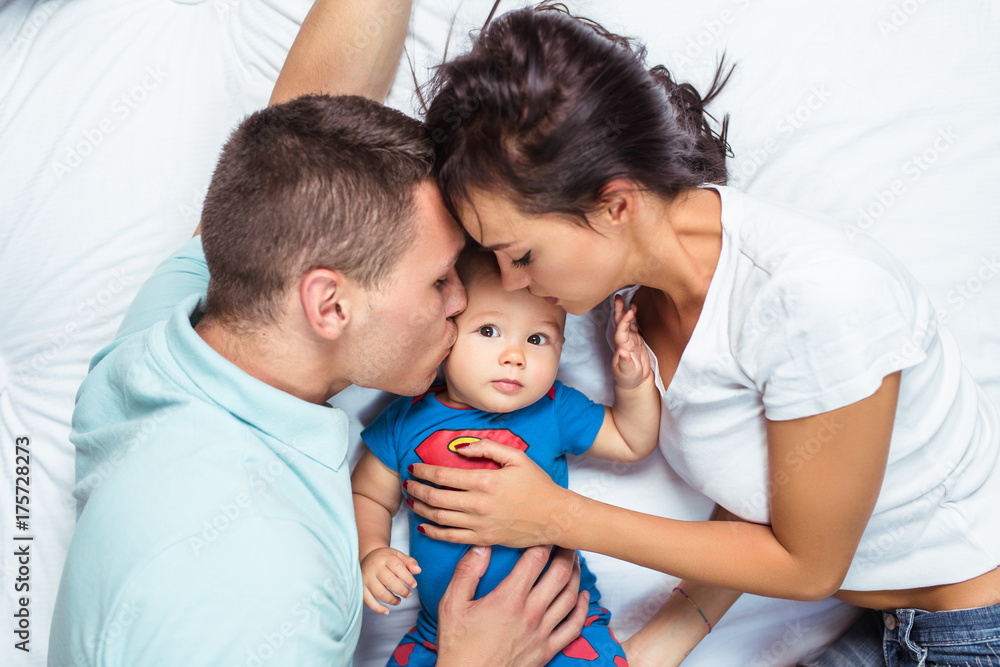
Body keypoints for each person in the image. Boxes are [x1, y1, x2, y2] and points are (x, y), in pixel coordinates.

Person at [398, 4, 1000, 665]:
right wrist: (659, 644)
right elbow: (769, 493)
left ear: (616, 204)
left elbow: (808, 566)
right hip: (869, 624)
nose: (510, 282)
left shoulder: (815, 297)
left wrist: (553, 515)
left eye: (521, 253)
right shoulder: (630, 294)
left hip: (968, 630)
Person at [46, 2, 592, 664]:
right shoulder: (264, 581)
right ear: (329, 305)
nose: (462, 300)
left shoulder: (178, 330)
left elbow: (302, 144)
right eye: (441, 279)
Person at [352, 249, 659, 665]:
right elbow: (370, 496)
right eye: (489, 330)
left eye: (537, 339)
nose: (514, 356)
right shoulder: (407, 416)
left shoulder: (553, 409)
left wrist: (633, 384)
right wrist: (373, 552)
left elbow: (630, 440)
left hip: (559, 621)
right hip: (441, 636)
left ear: (561, 349)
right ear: (447, 333)